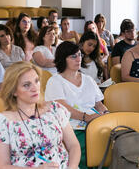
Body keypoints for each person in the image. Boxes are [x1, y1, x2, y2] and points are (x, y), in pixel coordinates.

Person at [0, 61, 81, 168]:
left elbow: (74, 146)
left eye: (36, 81)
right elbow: (3, 166)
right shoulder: (2, 122)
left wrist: (72, 167)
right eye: (26, 85)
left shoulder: (54, 109)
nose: (35, 88)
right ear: (14, 91)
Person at [45, 41, 109, 169]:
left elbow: (99, 104)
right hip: (70, 126)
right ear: (63, 59)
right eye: (73, 56)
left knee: (109, 139)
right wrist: (86, 117)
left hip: (93, 123)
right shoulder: (55, 81)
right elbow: (63, 108)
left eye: (79, 55)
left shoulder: (88, 79)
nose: (78, 59)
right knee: (85, 144)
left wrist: (106, 115)